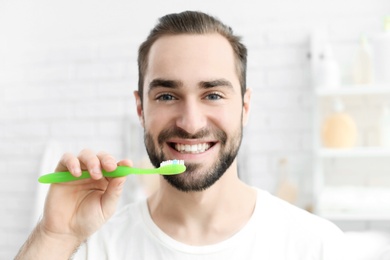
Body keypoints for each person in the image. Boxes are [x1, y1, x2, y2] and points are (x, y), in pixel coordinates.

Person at [16, 10, 345, 259]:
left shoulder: (316, 246)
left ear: (245, 107)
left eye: (213, 95)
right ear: (140, 109)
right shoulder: (95, 246)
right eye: (167, 96)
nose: (190, 122)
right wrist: (54, 236)